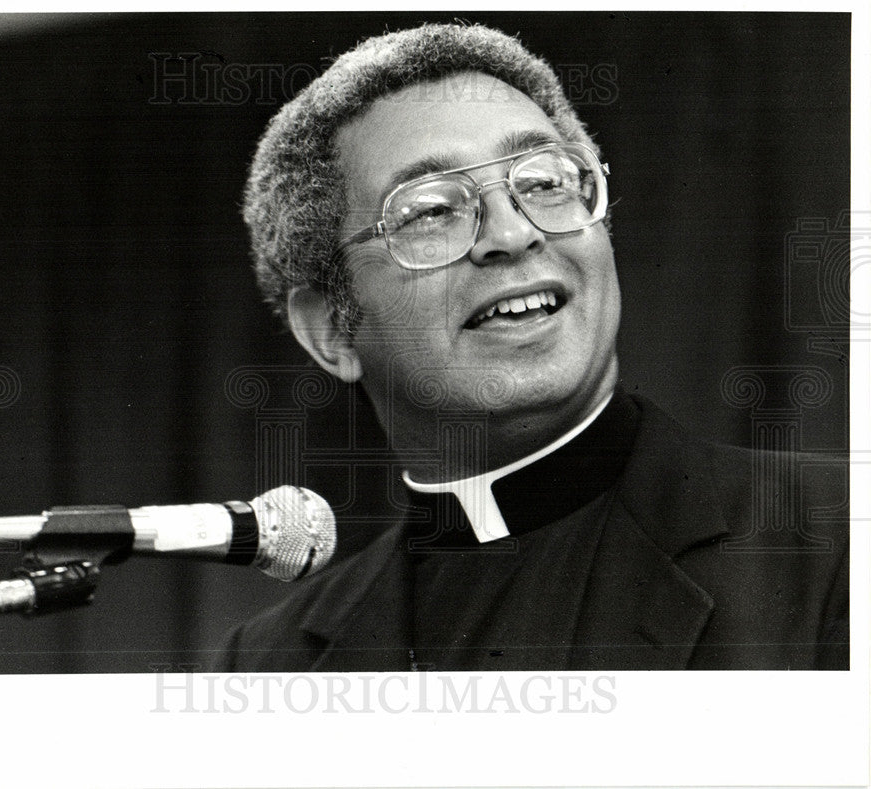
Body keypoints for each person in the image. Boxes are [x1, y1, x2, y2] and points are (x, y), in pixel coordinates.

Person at [211, 22, 848, 671]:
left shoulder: (838, 542)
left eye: (544, 182)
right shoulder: (268, 663)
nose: (513, 234)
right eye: (432, 210)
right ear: (329, 329)